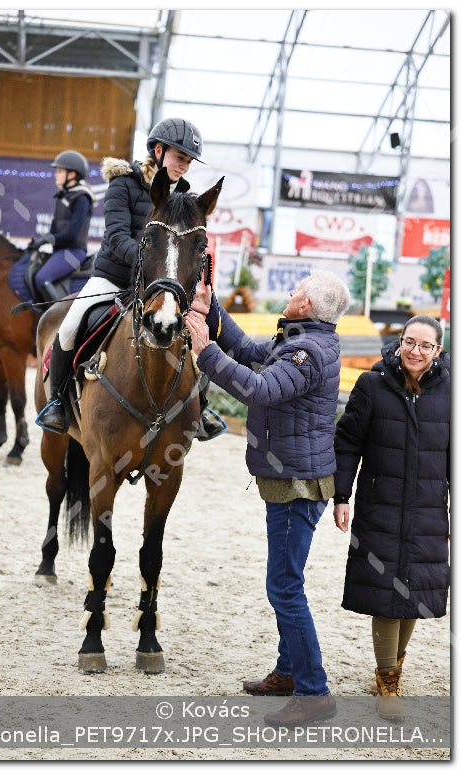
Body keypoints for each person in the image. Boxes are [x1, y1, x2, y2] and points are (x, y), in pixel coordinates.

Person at [185, 270, 351, 728]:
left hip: (296, 484)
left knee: (284, 586)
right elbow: (253, 355)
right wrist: (211, 305)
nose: (290, 291)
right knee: (286, 581)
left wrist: (204, 351)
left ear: (305, 307)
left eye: (296, 289)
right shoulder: (304, 337)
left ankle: (314, 692)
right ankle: (287, 671)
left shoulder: (305, 351)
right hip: (294, 478)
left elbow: (258, 388)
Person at [36, 117, 226, 440]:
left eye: (189, 161)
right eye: (181, 158)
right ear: (158, 150)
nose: (185, 166)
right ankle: (58, 403)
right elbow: (115, 237)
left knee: (199, 332)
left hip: (159, 286)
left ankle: (201, 405)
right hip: (112, 278)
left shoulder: (182, 196)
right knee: (68, 327)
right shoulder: (123, 184)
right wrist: (145, 263)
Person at [333, 315, 450, 721]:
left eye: (425, 345)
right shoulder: (372, 384)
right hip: (380, 505)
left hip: (430, 508)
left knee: (415, 592)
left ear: (437, 351)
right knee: (386, 590)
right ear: (398, 342)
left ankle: (393, 667)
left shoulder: (451, 390)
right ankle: (387, 681)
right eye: (409, 342)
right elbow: (347, 442)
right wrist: (341, 495)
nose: (415, 351)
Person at [28, 150, 95, 302]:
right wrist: (38, 242)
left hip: (73, 252)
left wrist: (46, 240)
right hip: (60, 251)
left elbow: (72, 235)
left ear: (71, 175)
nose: (55, 174)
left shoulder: (82, 198)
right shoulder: (62, 196)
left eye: (59, 171)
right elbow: (54, 230)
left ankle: (57, 318)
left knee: (41, 278)